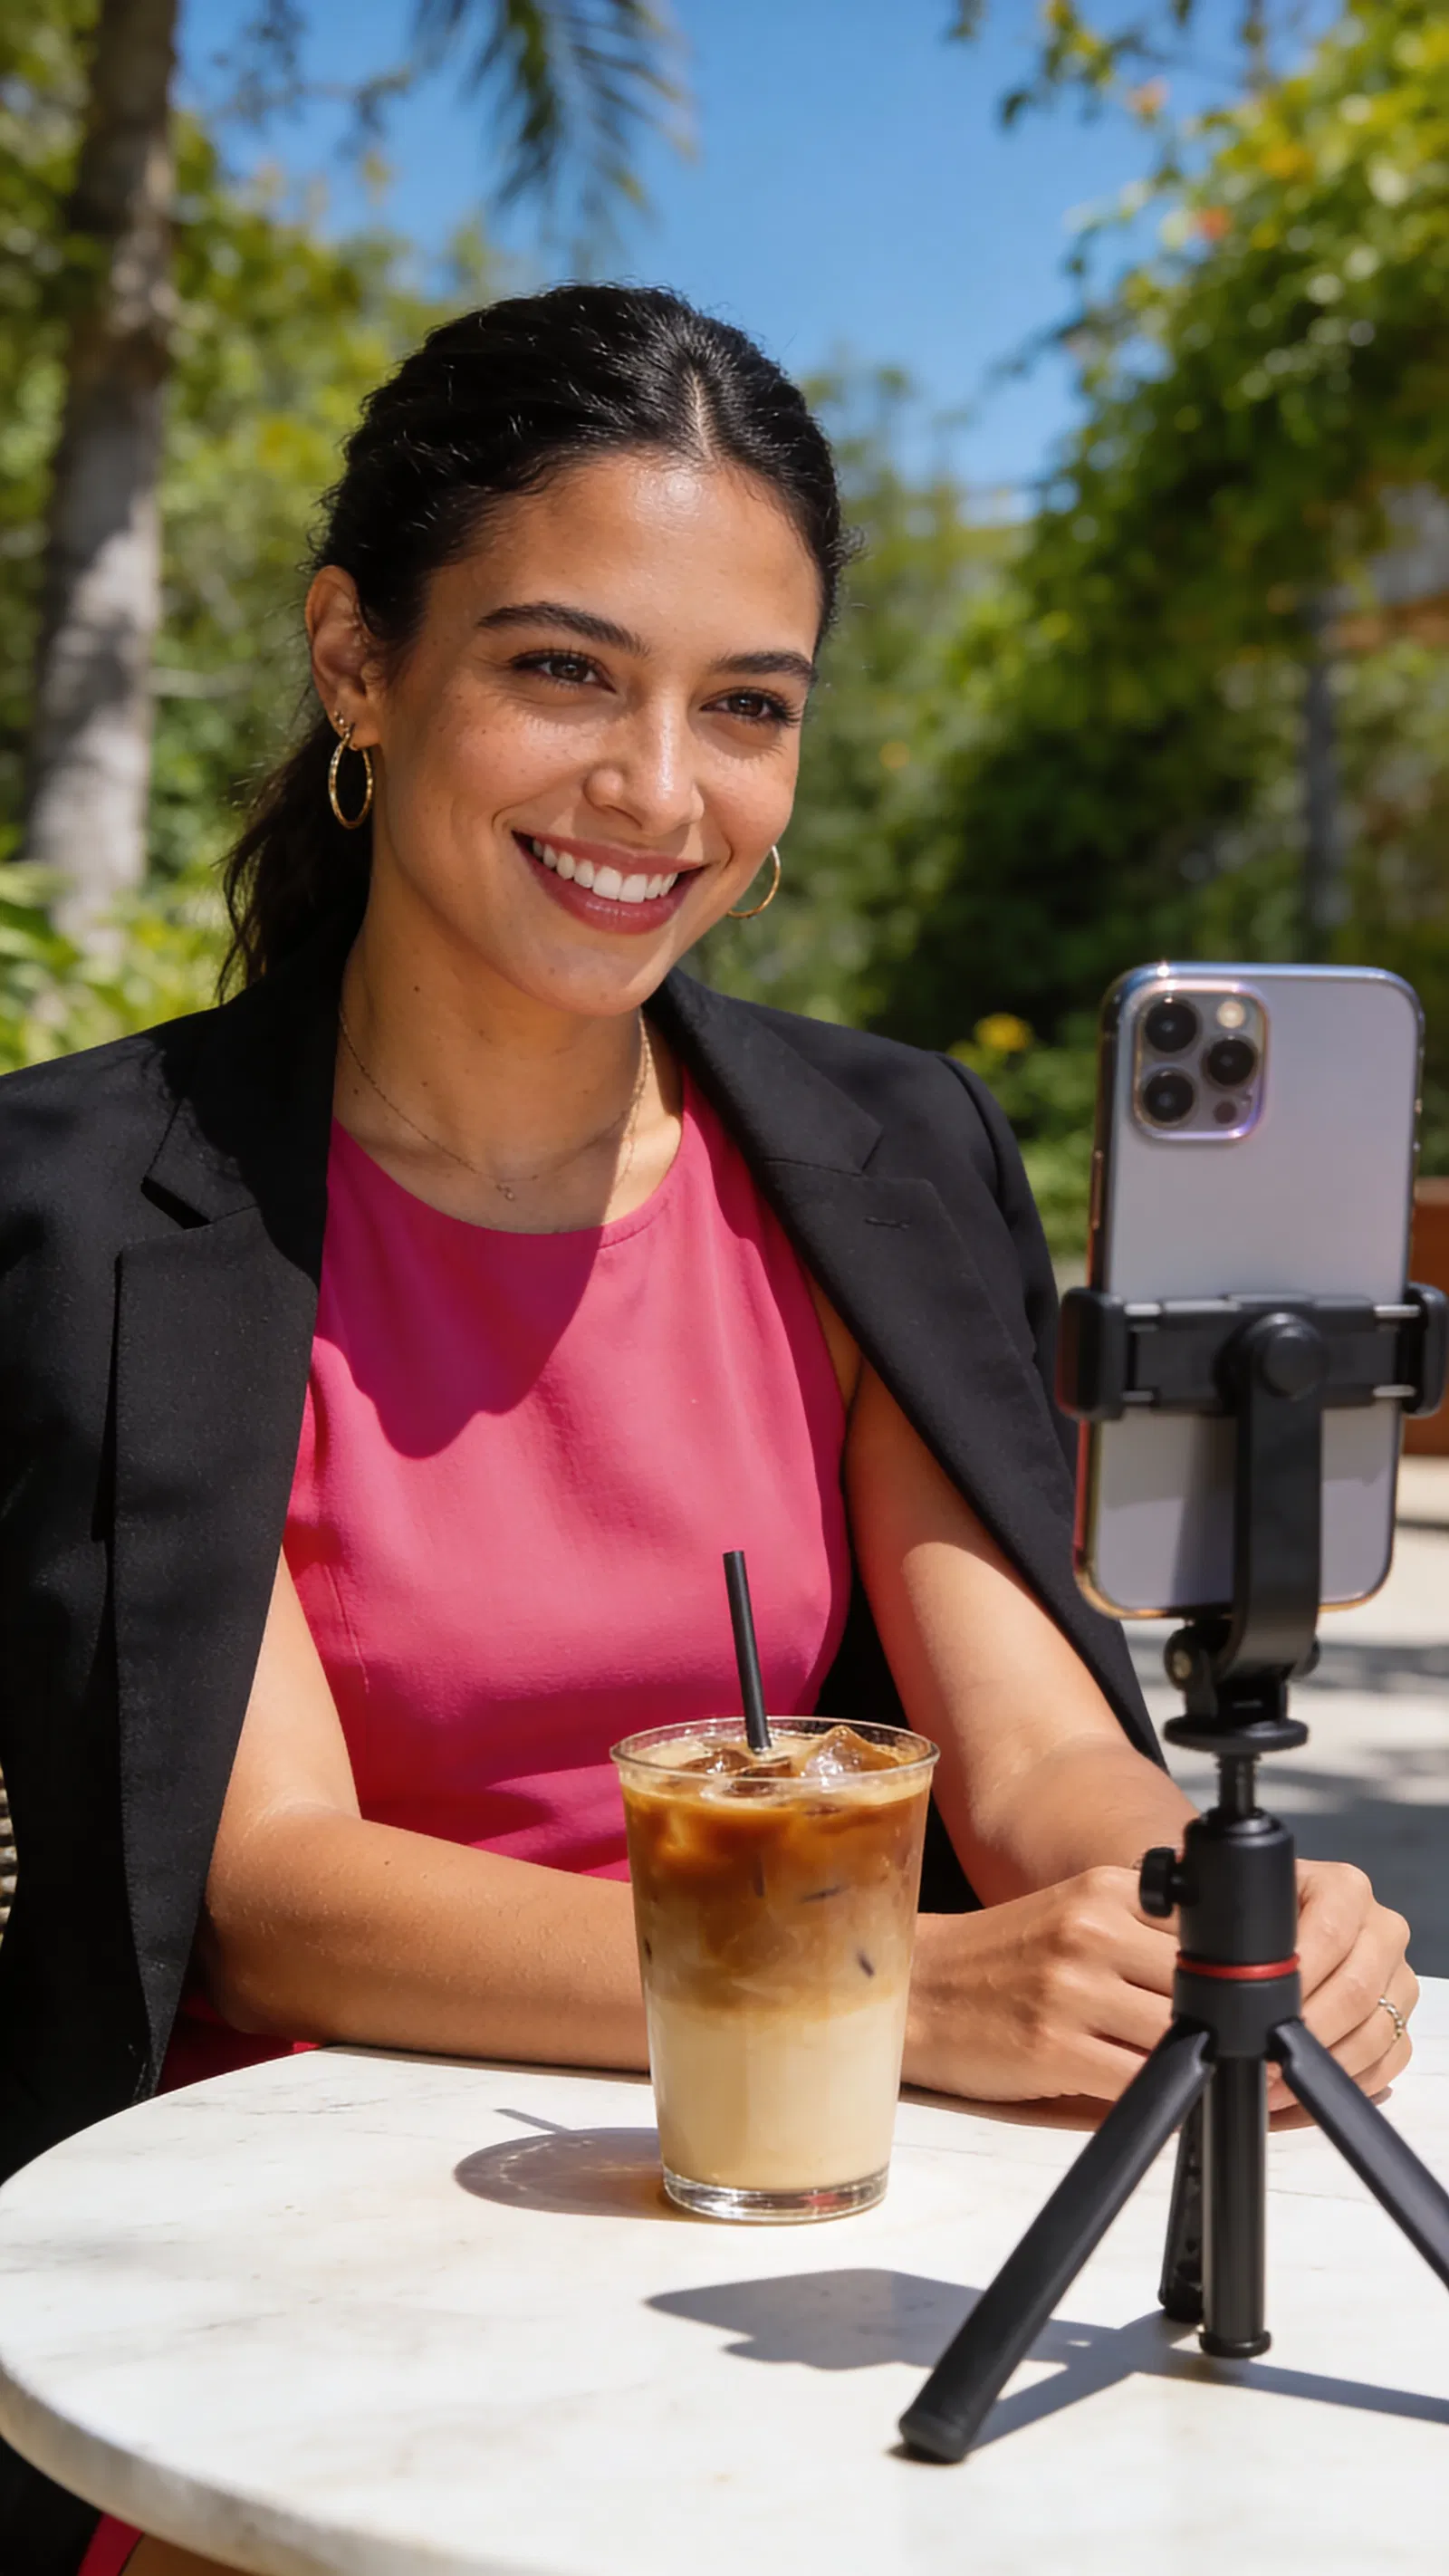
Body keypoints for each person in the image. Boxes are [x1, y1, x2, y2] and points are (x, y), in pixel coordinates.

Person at [0, 286, 1415, 2576]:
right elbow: (265, 1889)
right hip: (297, 2281)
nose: (660, 794)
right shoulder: (84, 1196)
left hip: (813, 2250)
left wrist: (1179, 1908)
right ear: (358, 662)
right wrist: (887, 1998)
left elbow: (1024, 1748)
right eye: (566, 671)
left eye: (742, 710)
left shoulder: (873, 1148)